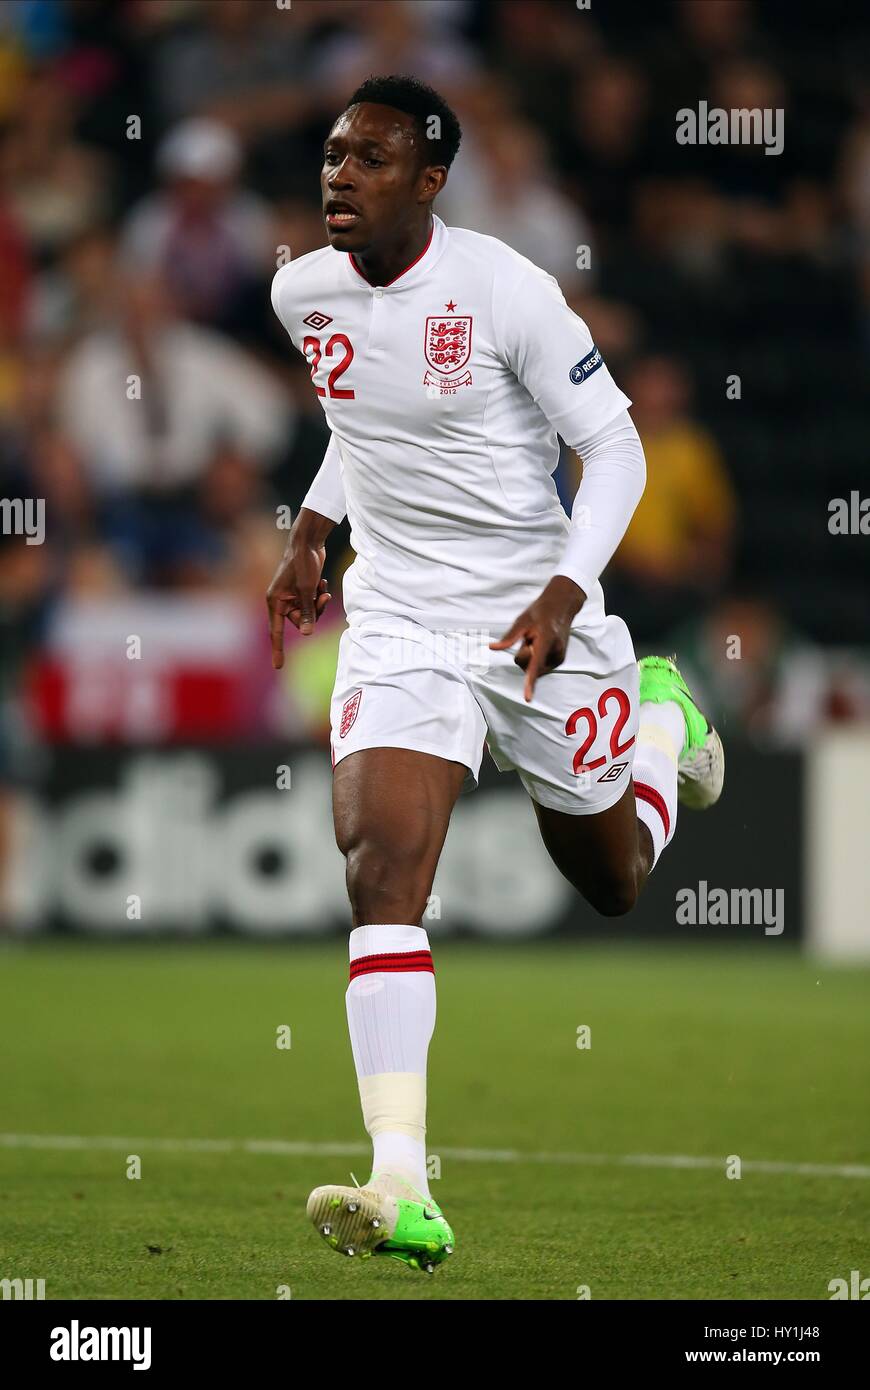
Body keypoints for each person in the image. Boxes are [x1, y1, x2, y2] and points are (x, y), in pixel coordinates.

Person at [267, 76, 724, 1276]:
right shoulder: (300, 290)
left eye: (370, 160)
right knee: (380, 869)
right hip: (402, 625)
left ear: (430, 181)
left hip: (536, 624)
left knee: (614, 878)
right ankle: (401, 1179)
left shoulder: (509, 291)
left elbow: (614, 446)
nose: (339, 178)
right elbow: (361, 419)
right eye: (331, 154)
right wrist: (313, 533)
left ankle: (666, 730)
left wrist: (567, 593)